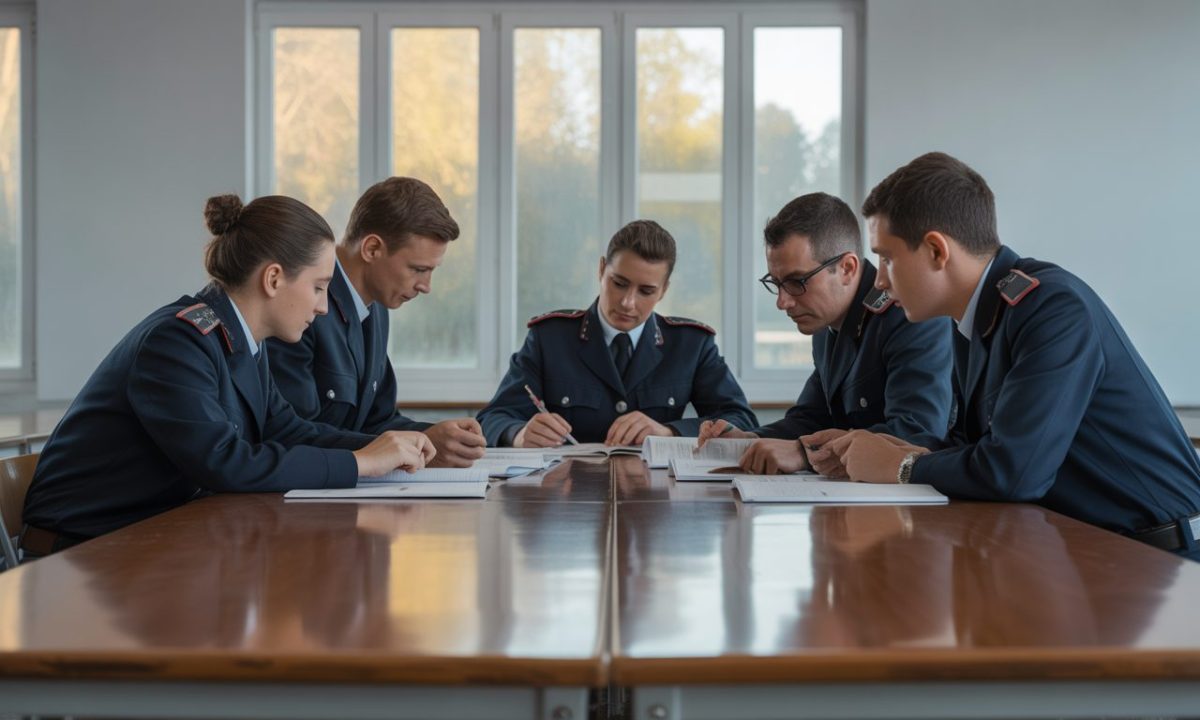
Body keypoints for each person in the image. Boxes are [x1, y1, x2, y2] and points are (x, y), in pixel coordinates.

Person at [822, 151, 1200, 561]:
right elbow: (974, 445)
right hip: (1098, 551)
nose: (879, 279)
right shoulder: (978, 318)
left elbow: (1015, 472)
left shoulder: (1052, 308)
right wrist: (886, 447)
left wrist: (903, 467)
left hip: (1165, 559)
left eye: (887, 258)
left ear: (936, 250)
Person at [21, 194, 434, 556]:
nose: (324, 306)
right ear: (273, 279)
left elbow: (287, 429)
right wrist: (361, 462)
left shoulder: (242, 341)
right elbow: (224, 461)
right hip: (82, 549)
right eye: (318, 287)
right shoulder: (178, 342)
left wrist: (385, 450)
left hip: (149, 533)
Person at [695, 193, 953, 475]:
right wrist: (751, 440)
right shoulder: (826, 321)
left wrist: (805, 454)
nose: (782, 302)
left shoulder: (909, 314)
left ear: (847, 269)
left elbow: (916, 434)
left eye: (796, 282)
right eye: (776, 283)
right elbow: (811, 418)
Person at [477, 220, 757, 447]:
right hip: (566, 490)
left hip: (657, 493)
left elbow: (741, 421)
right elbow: (493, 418)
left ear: (663, 290)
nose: (627, 302)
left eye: (646, 291)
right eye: (619, 283)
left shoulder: (691, 344)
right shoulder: (549, 338)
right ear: (602, 270)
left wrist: (669, 432)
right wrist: (520, 434)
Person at [267, 177, 485, 467]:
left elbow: (377, 421)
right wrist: (415, 444)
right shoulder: (301, 305)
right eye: (418, 269)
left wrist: (436, 437)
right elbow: (292, 434)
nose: (426, 286)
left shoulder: (376, 308)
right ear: (371, 249)